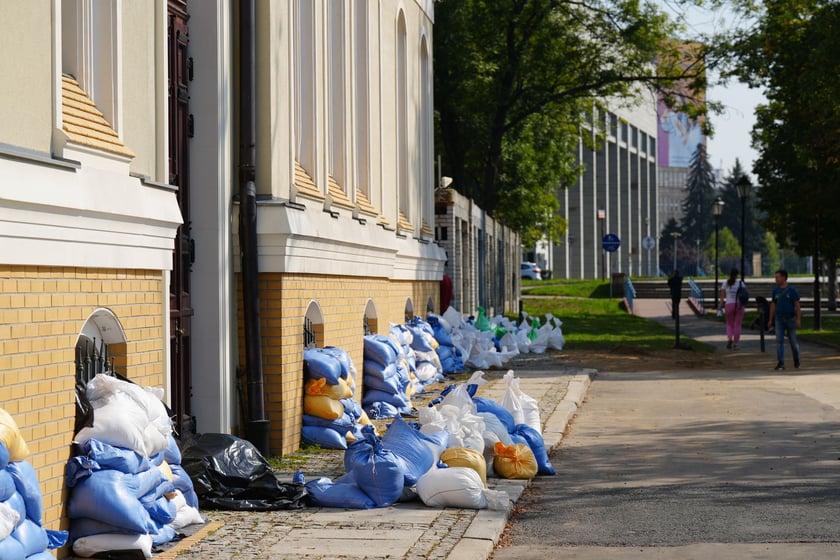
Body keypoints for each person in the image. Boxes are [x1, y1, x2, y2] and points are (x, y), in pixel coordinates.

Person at [767, 269, 801, 370]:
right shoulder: (775, 291)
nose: (776, 279)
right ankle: (781, 362)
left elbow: (797, 305)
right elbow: (773, 305)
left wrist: (798, 319)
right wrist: (770, 319)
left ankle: (797, 360)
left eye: (777, 277)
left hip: (790, 318)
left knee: (793, 342)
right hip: (779, 319)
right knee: (779, 341)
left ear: (783, 277)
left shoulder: (792, 290)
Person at [719, 268, 747, 350]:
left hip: (729, 304)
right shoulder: (741, 283)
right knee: (737, 325)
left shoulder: (725, 283)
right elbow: (744, 294)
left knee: (729, 324)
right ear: (737, 274)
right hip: (739, 305)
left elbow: (722, 296)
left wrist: (720, 306)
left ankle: (730, 338)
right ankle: (735, 344)